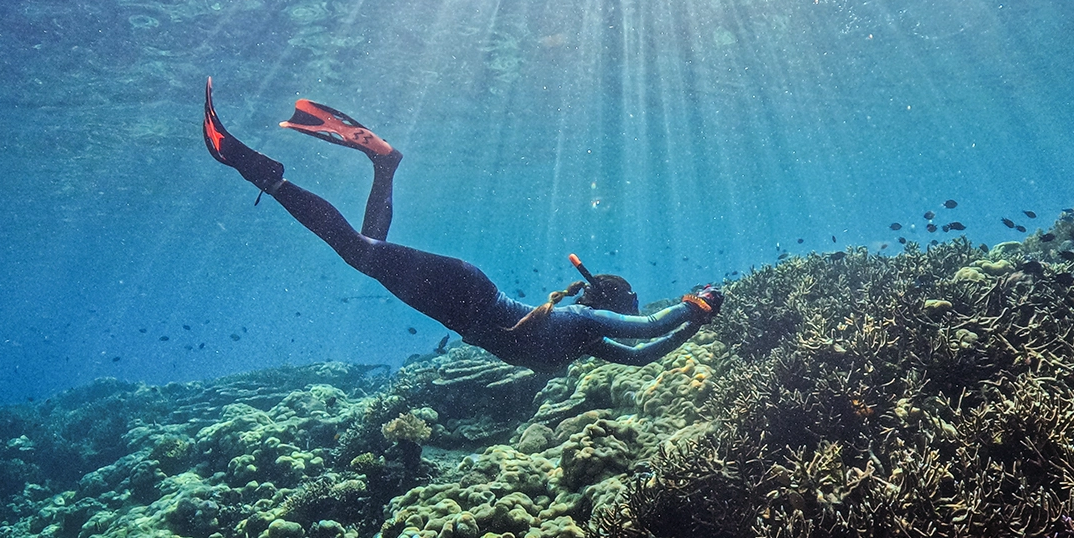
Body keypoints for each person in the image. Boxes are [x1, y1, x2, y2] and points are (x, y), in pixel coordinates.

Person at [201, 78, 722, 373]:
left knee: (367, 250)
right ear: (609, 309)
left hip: (461, 300)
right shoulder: (584, 327)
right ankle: (266, 176)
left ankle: (385, 164)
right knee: (360, 253)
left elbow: (644, 354)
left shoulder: (584, 337)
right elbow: (651, 329)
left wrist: (692, 322)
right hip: (465, 298)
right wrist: (695, 306)